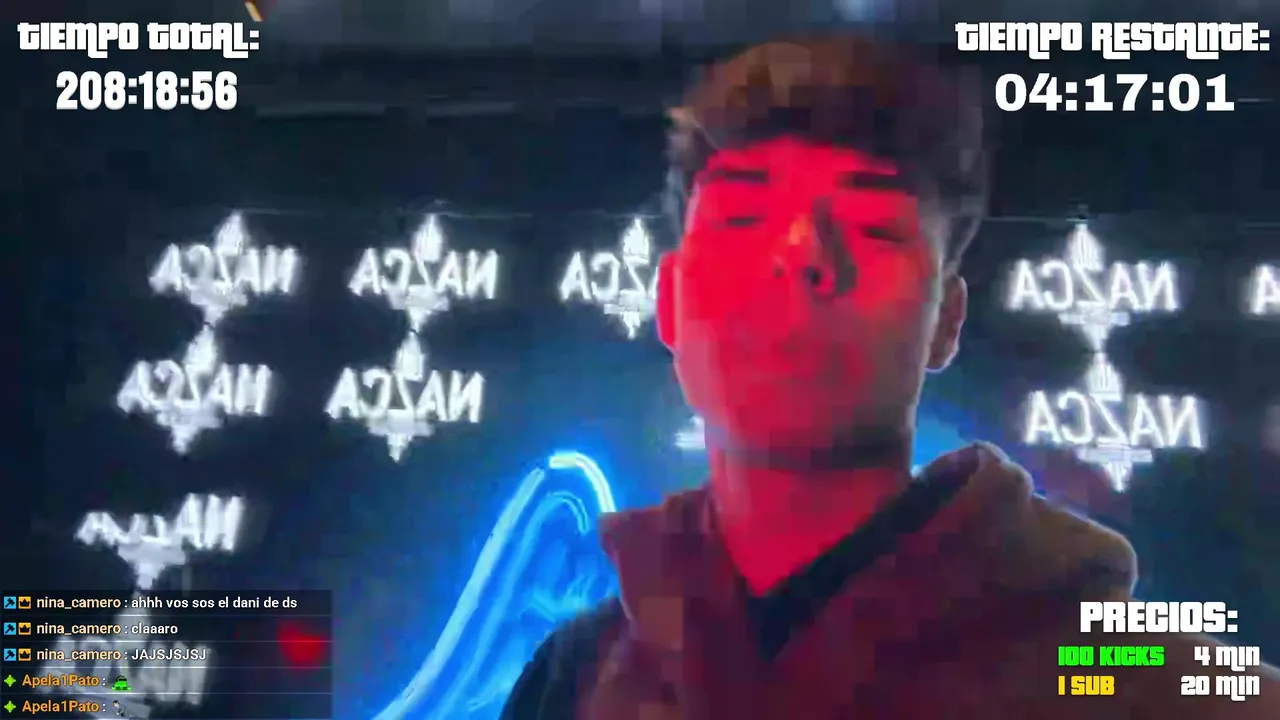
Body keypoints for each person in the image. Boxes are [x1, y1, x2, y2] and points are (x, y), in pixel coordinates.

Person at [502, 34, 1279, 718]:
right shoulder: (576, 676)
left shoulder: (1124, 673)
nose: (800, 256)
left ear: (946, 319)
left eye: (871, 229)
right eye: (743, 221)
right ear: (669, 303)